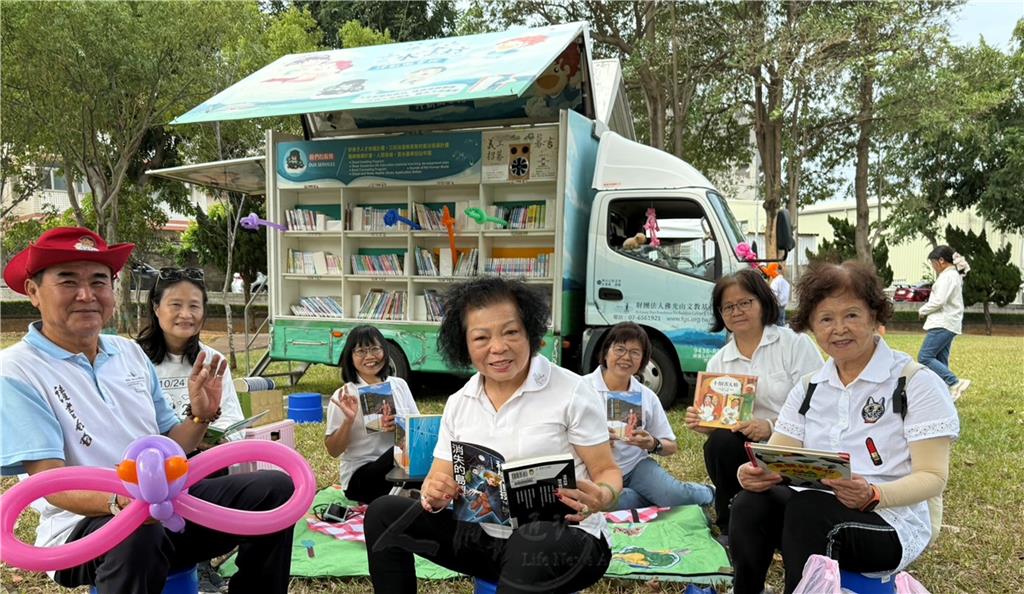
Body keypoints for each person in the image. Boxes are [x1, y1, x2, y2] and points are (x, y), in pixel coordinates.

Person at [0, 227, 295, 594]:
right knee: (139, 530)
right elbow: (52, 485)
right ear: (32, 291)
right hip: (80, 528)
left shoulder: (127, 353)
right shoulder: (16, 370)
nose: (86, 295)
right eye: (68, 281)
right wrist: (123, 501)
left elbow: (173, 441)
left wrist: (199, 417)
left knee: (275, 489)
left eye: (99, 281)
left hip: (170, 507)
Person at [363, 277, 620, 594]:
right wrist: (434, 491)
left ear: (531, 332)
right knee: (383, 512)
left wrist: (603, 495)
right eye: (481, 337)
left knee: (528, 544)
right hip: (484, 539)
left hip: (570, 539)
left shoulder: (572, 391)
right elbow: (437, 479)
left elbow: (607, 471)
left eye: (511, 332)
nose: (498, 348)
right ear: (465, 345)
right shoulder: (459, 403)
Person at [729, 260, 959, 594]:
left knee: (809, 511)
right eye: (825, 319)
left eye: (851, 315)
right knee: (751, 502)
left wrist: (874, 495)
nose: (839, 329)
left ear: (874, 316)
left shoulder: (915, 383)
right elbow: (777, 457)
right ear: (811, 325)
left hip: (889, 520)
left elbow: (934, 478)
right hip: (810, 513)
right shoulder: (811, 386)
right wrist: (751, 474)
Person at [684, 269, 823, 537]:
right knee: (719, 442)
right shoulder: (719, 361)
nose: (737, 312)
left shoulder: (794, 344)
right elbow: (722, 417)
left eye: (745, 302)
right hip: (746, 446)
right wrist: (705, 423)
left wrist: (771, 426)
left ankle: (773, 514)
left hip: (793, 443)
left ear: (763, 301)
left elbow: (817, 403)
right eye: (728, 307)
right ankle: (729, 524)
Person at [584, 322, 714, 510]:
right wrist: (593, 439)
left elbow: (671, 446)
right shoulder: (581, 389)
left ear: (642, 361)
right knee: (601, 503)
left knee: (673, 495)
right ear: (606, 353)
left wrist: (652, 443)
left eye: (635, 352)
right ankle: (646, 499)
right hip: (595, 470)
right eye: (619, 349)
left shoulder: (646, 396)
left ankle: (709, 492)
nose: (626, 357)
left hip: (636, 466)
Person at [137, 267, 245, 445]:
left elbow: (233, 422)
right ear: (156, 308)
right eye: (176, 305)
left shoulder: (213, 361)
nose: (186, 315)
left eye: (194, 306)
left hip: (208, 462)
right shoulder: (133, 359)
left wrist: (218, 440)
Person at [324, 324, 420, 504]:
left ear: (385, 351)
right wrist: (348, 421)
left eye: (375, 349)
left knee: (426, 451)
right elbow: (333, 451)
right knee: (397, 453)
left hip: (398, 470)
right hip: (361, 478)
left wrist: (397, 428)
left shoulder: (399, 385)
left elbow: (417, 432)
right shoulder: (344, 395)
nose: (369, 356)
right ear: (350, 357)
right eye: (361, 351)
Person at [918, 245, 971, 400]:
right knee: (940, 359)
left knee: (925, 357)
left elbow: (939, 301)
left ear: (941, 261)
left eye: (933, 263)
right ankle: (944, 393)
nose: (933, 267)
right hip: (949, 322)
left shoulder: (948, 276)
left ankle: (954, 382)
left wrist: (922, 310)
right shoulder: (952, 275)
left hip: (943, 322)